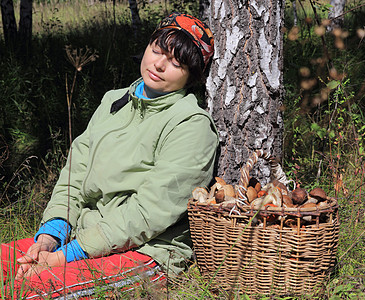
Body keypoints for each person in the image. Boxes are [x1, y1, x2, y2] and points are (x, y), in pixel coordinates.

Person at [0, 12, 218, 299]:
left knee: (28, 290)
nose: (160, 64)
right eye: (157, 50)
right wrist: (50, 237)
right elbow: (74, 175)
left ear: (192, 76)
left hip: (146, 251)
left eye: (177, 63)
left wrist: (70, 255)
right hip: (81, 237)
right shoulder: (113, 101)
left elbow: (149, 212)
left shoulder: (190, 124)